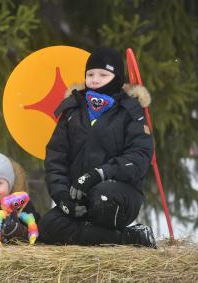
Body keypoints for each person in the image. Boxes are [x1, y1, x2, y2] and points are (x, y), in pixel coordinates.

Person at [39, 47, 157, 248]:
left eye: (103, 74)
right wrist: (63, 197)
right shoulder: (73, 110)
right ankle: (126, 238)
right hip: (79, 195)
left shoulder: (129, 110)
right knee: (48, 226)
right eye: (90, 74)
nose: (94, 79)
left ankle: (93, 232)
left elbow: (140, 156)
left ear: (116, 77)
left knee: (101, 198)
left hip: (118, 194)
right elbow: (55, 158)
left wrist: (100, 173)